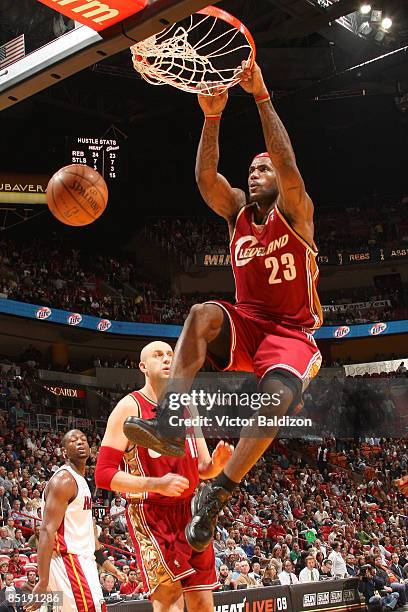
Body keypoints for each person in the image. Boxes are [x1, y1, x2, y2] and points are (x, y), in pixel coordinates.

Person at [123, 60, 322, 553]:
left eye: (263, 169)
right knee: (202, 314)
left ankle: (218, 492)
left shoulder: (296, 211)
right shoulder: (236, 214)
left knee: (276, 399)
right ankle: (168, 423)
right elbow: (205, 178)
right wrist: (212, 117)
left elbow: (289, 164)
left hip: (293, 334)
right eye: (251, 170)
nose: (255, 175)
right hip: (248, 321)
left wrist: (260, 96)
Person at [95, 341, 233, 612]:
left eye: (171, 355)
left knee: (203, 603)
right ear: (143, 367)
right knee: (169, 600)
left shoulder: (187, 405)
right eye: (158, 356)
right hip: (152, 514)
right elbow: (103, 474)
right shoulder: (129, 407)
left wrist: (217, 464)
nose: (168, 359)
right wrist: (156, 484)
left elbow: (204, 468)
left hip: (193, 511)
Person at [23, 429, 125, 612]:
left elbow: (88, 531)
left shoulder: (82, 481)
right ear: (63, 452)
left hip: (83, 561)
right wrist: (43, 580)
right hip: (68, 559)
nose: (79, 442)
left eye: (83, 439)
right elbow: (46, 530)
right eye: (73, 440)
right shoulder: (63, 480)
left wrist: (108, 565)